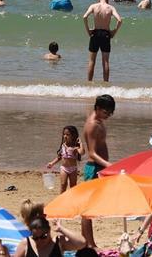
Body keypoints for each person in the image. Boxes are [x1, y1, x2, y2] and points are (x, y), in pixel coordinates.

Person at [81, 95, 113, 249]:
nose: (108, 116)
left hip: (99, 167)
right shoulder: (92, 124)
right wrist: (109, 165)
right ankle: (89, 243)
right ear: (98, 109)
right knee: (88, 209)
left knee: (91, 207)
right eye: (106, 112)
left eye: (110, 113)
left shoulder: (98, 119)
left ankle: (86, 242)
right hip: (94, 167)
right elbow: (92, 153)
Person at [45, 126, 81, 191]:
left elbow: (82, 152)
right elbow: (59, 157)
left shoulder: (75, 147)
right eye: (64, 134)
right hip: (64, 168)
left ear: (73, 136)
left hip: (73, 169)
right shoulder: (63, 146)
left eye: (68, 134)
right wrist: (52, 163)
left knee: (73, 186)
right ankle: (62, 196)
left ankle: (72, 197)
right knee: (63, 184)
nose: (65, 136)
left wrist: (80, 144)